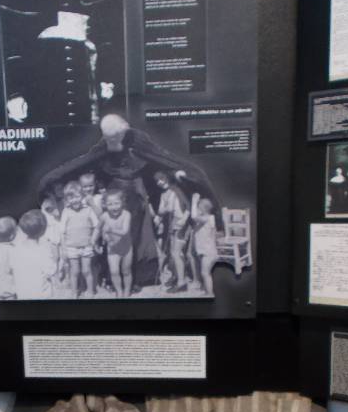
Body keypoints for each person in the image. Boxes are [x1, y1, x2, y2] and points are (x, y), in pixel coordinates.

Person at [39, 114, 219, 291]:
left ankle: (138, 277)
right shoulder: (105, 144)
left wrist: (181, 172)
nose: (110, 141)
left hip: (135, 194)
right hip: (115, 193)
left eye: (114, 137)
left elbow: (161, 157)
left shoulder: (138, 139)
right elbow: (87, 160)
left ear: (122, 131)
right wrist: (53, 179)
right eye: (108, 137)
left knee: (136, 236)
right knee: (112, 235)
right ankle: (113, 277)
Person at [59, 180, 101, 298]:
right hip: (71, 247)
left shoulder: (88, 210)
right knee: (75, 271)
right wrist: (64, 249)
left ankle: (90, 291)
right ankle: (74, 292)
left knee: (86, 270)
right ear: (67, 199)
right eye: (71, 198)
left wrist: (93, 240)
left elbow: (97, 226)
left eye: (77, 197)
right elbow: (62, 232)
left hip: (86, 246)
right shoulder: (66, 212)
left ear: (82, 196)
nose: (75, 200)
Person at [154, 171, 191, 293]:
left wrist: (183, 221)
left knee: (176, 253)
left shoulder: (176, 190)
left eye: (161, 178)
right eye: (157, 181)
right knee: (173, 253)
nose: (159, 182)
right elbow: (161, 210)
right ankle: (176, 276)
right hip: (172, 223)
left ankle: (181, 283)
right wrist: (159, 215)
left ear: (167, 178)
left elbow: (188, 207)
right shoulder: (163, 194)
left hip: (180, 223)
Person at [10, 210, 58, 300]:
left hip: (22, 293)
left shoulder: (15, 248)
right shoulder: (43, 251)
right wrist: (55, 257)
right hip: (40, 294)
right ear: (43, 231)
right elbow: (51, 271)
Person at [97, 189, 134, 298]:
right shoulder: (104, 216)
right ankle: (119, 291)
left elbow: (125, 231)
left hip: (126, 249)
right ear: (105, 205)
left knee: (126, 271)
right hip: (112, 250)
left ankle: (127, 290)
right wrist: (93, 241)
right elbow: (98, 229)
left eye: (117, 203)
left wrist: (110, 230)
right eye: (110, 204)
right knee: (114, 272)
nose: (114, 207)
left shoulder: (126, 214)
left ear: (123, 202)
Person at [191, 195, 220, 296]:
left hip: (209, 253)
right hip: (207, 251)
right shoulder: (207, 219)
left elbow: (194, 216)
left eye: (198, 208)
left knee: (205, 273)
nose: (196, 210)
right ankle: (206, 290)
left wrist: (194, 201)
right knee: (206, 273)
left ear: (203, 210)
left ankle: (210, 294)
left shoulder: (207, 218)